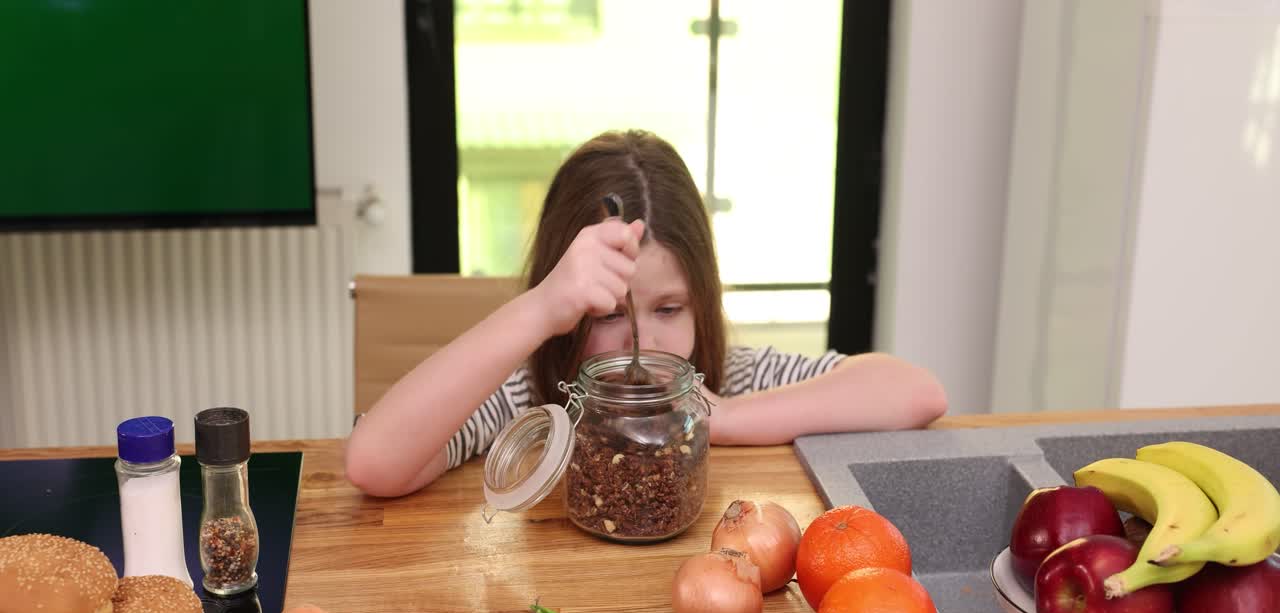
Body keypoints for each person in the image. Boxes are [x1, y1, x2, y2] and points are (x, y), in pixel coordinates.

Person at [346, 130, 947, 497]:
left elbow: (916, 391)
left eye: (669, 308)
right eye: (607, 314)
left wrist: (729, 417)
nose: (643, 349)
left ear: (701, 301)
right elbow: (373, 464)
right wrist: (538, 309)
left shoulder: (724, 381)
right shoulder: (526, 398)